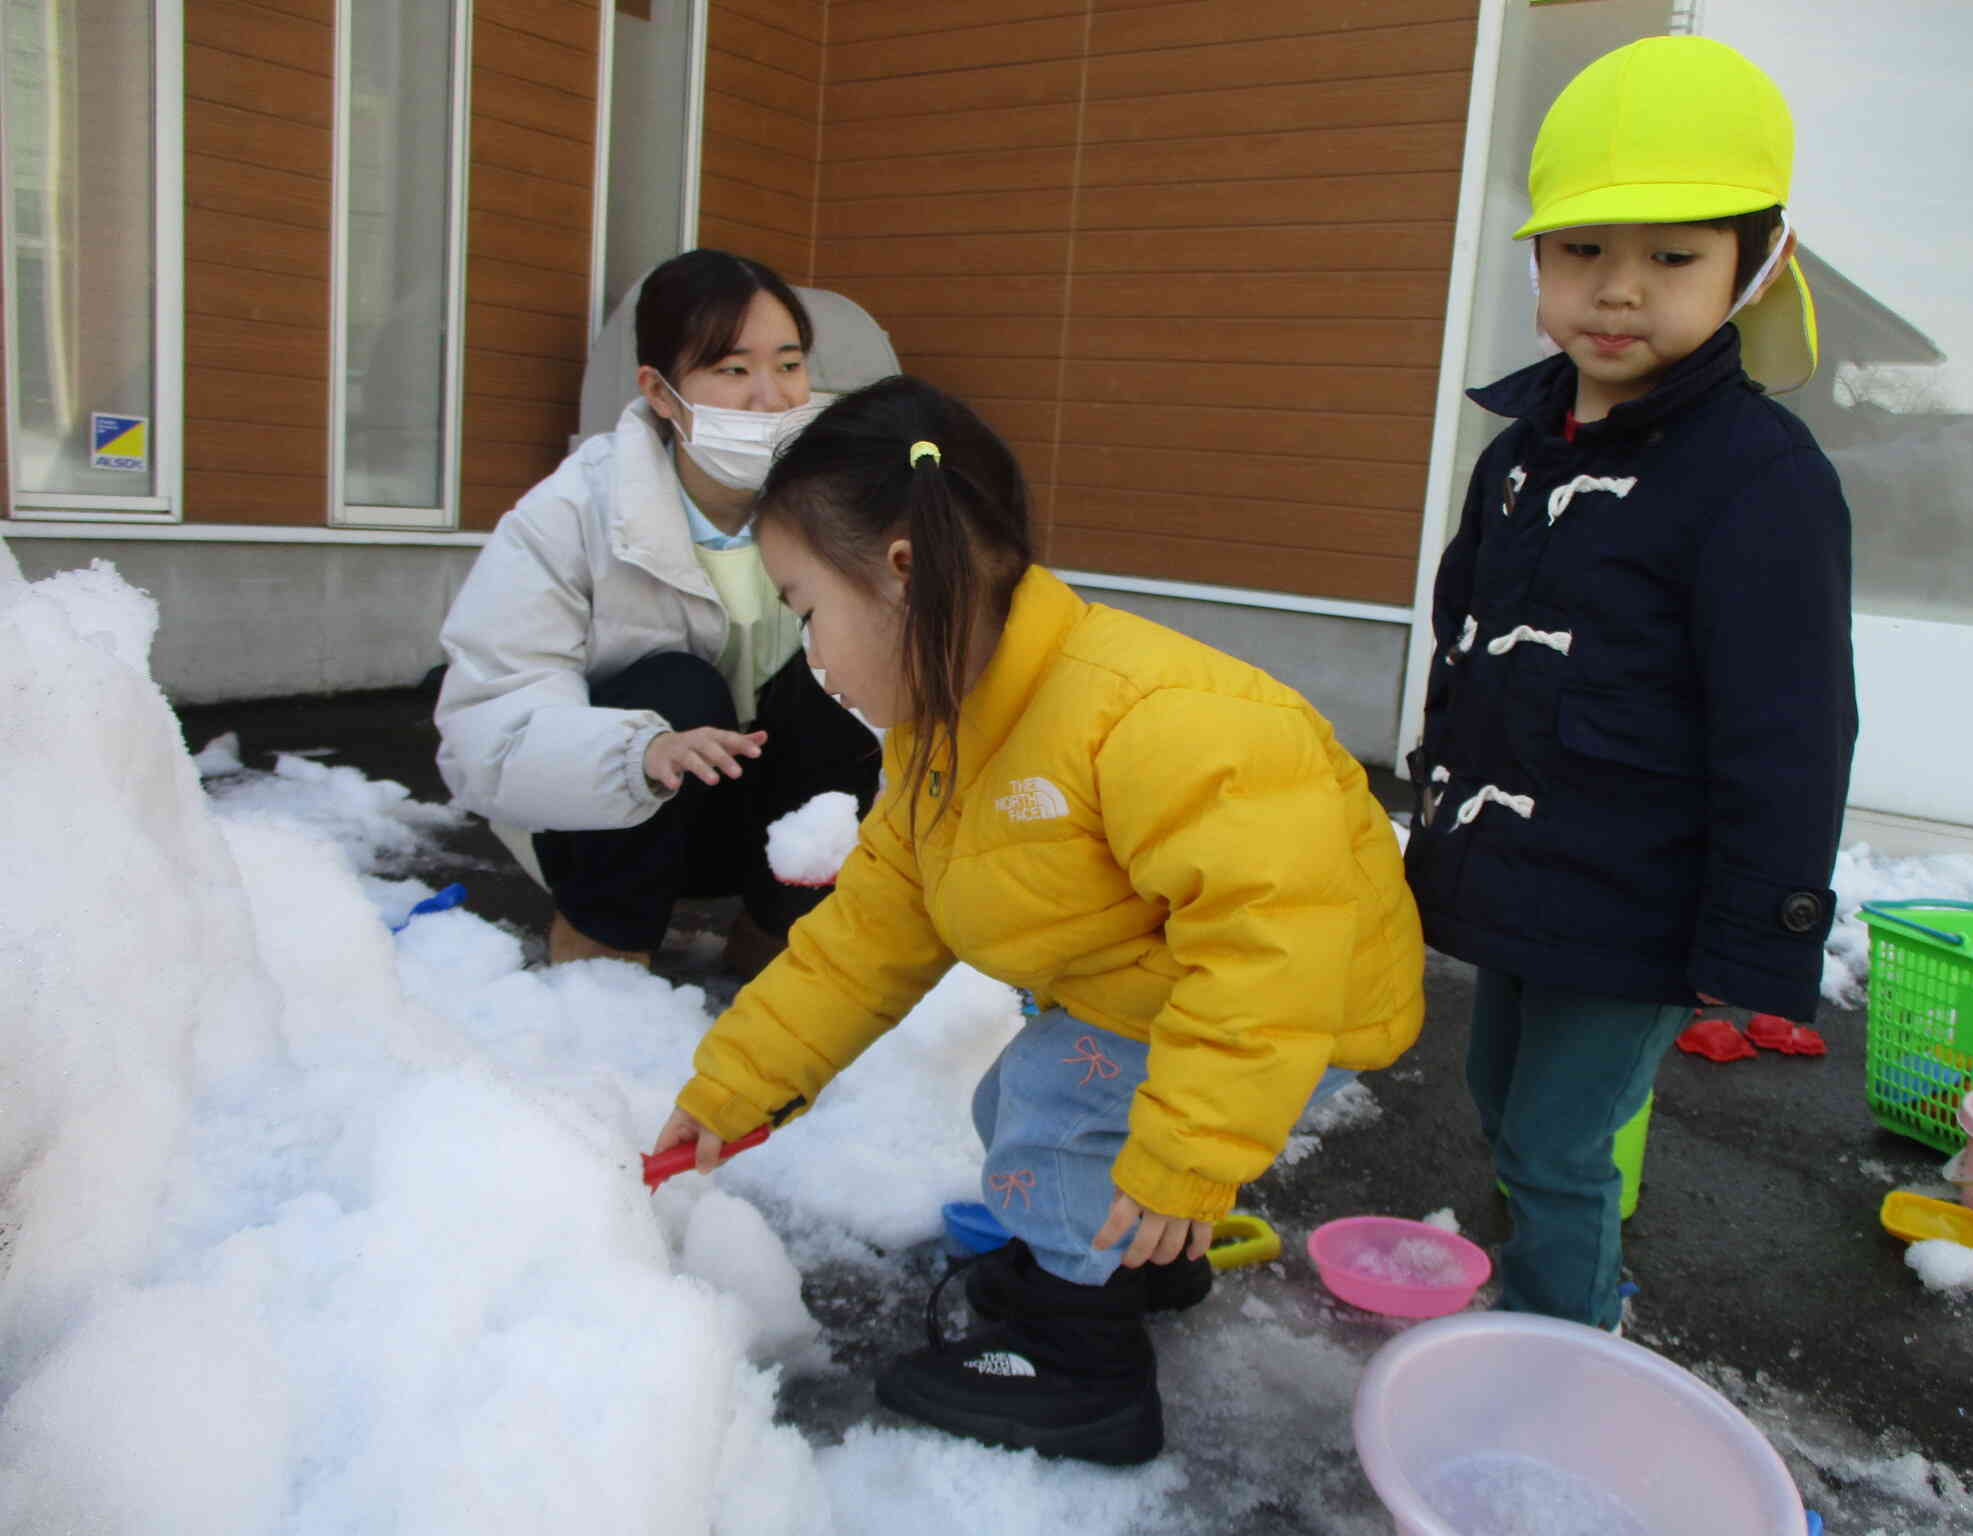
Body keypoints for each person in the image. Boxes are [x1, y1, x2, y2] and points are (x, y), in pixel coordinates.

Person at [649, 376, 1424, 1464]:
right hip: (1170, 986)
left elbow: (1272, 945)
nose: (809, 657)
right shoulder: (943, 739)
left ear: (903, 573)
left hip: (1294, 999)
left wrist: (1189, 1157)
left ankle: (1082, 1371)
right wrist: (734, 1086)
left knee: (1053, 1120)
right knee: (1015, 1096)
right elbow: (864, 941)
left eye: (807, 610)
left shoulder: (1149, 717)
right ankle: (1134, 1264)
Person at [1401, 37, 1858, 1332]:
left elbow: (1790, 731)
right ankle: (1544, 1302)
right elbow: (1467, 654)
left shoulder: (1758, 476)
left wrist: (1751, 936)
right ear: (1538, 264)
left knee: (1556, 1142)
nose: (1616, 291)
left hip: (1644, 897)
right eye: (1582, 251)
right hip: (1524, 872)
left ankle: (1564, 1353)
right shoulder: (1519, 452)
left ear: (1752, 263)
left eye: (1671, 258)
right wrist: (1438, 830)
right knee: (1498, 1103)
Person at [435, 250, 881, 971]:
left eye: (790, 365)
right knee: (674, 688)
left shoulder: (840, 509)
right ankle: (602, 959)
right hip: (614, 823)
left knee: (847, 678)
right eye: (732, 370)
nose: (771, 398)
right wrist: (635, 755)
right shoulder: (574, 513)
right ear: (660, 392)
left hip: (765, 829)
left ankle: (780, 944)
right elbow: (490, 726)